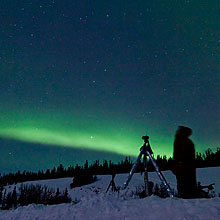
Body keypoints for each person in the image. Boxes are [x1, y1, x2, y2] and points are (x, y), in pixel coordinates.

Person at [173, 126, 197, 198]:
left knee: (186, 189)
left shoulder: (184, 141)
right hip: (183, 169)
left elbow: (183, 156)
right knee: (183, 187)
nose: (177, 131)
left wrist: (179, 165)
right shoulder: (180, 141)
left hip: (185, 170)